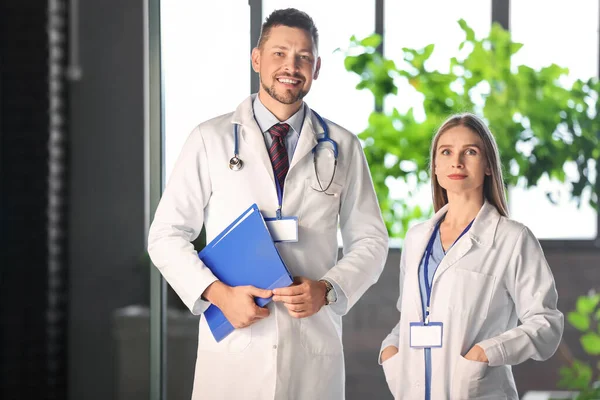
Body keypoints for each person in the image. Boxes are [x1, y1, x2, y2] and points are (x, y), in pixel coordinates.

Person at [148, 8, 388, 400]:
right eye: (279, 53)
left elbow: (373, 241)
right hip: (234, 349)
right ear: (256, 58)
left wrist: (327, 289)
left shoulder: (342, 146)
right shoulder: (210, 139)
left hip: (310, 347)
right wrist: (218, 294)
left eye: (303, 57)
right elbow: (166, 236)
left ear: (317, 66)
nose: (291, 66)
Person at [379, 113, 564, 399]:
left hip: (477, 390)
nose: (457, 161)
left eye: (471, 151)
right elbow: (412, 315)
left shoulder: (512, 238)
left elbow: (546, 323)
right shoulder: (417, 238)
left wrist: (486, 353)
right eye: (446, 152)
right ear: (436, 168)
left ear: (488, 165)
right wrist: (391, 349)